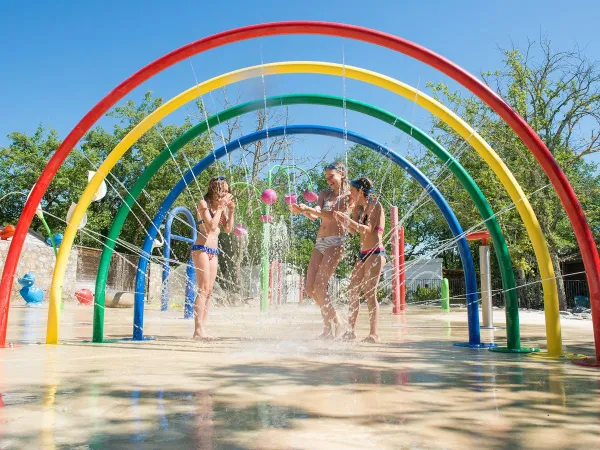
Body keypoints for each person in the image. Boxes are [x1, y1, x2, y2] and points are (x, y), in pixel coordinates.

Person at [289, 162, 350, 339]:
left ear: (342, 174)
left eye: (332, 176)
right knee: (309, 289)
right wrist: (301, 210)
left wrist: (308, 210)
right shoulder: (324, 194)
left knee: (320, 286)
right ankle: (328, 329)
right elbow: (316, 213)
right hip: (319, 242)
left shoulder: (348, 197)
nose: (329, 180)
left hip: (335, 242)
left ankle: (337, 322)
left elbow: (333, 216)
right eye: (326, 177)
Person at [334, 177, 386, 343]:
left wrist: (349, 221)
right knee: (353, 291)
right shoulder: (358, 207)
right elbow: (354, 230)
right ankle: (351, 331)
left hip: (376, 253)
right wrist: (343, 220)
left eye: (352, 190)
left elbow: (368, 230)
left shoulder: (375, 205)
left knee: (370, 292)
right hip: (363, 254)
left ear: (361, 191)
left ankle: (374, 334)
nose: (350, 193)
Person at [191, 176, 234, 340]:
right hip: (201, 249)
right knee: (202, 289)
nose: (226, 192)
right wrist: (222, 208)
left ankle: (203, 328)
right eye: (223, 189)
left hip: (213, 252)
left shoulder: (220, 207)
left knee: (209, 292)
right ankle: (197, 330)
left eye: (227, 190)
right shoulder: (204, 204)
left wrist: (232, 210)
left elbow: (228, 229)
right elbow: (211, 227)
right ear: (215, 189)